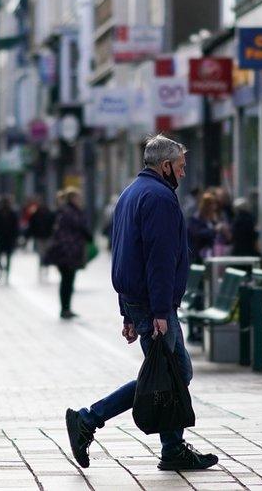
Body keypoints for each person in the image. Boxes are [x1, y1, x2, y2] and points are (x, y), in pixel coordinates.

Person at [64, 134, 218, 472]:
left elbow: (123, 255)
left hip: (139, 302)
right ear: (165, 166)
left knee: (168, 372)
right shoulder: (160, 198)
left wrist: (126, 311)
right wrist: (161, 311)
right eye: (180, 167)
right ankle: (90, 420)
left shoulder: (131, 193)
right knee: (172, 373)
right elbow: (158, 260)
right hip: (153, 304)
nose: (183, 173)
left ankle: (171, 448)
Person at [45, 187, 92, 319]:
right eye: (78, 198)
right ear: (72, 199)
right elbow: (82, 228)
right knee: (67, 280)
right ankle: (65, 309)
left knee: (66, 280)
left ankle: (66, 308)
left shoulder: (63, 211)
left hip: (64, 251)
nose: (80, 200)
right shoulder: (72, 212)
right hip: (69, 251)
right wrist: (89, 237)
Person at [187, 192, 229, 264]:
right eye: (212, 204)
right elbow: (196, 233)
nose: (214, 207)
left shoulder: (213, 218)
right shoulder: (196, 218)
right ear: (206, 205)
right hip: (198, 255)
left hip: (212, 254)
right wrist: (214, 230)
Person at [26, 198, 56, 281]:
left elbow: (53, 224)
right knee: (41, 254)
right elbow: (31, 226)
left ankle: (46, 267)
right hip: (39, 237)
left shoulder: (50, 214)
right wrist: (28, 236)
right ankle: (42, 267)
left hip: (47, 236)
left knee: (46, 253)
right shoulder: (35, 214)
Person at [0, 196, 19, 280]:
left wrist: (16, 236)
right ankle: (1, 268)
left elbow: (15, 226)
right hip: (1, 237)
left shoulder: (12, 214)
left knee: (9, 256)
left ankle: (7, 272)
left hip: (9, 238)